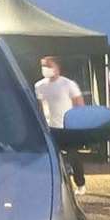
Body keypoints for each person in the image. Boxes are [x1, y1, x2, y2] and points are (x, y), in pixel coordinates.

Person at [35, 55, 86, 190]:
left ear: (57, 67)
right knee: (52, 157)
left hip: (68, 127)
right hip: (50, 128)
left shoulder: (68, 84)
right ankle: (55, 186)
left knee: (73, 156)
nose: (45, 69)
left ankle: (80, 184)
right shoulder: (39, 86)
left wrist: (78, 123)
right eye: (43, 66)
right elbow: (39, 106)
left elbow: (79, 104)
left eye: (48, 65)